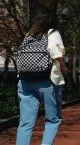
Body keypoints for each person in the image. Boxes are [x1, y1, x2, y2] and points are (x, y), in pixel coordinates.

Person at [16, 13, 68, 145]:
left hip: (25, 81)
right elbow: (55, 52)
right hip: (47, 81)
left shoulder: (29, 35)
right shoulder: (52, 33)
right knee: (52, 120)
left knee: (25, 123)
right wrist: (63, 66)